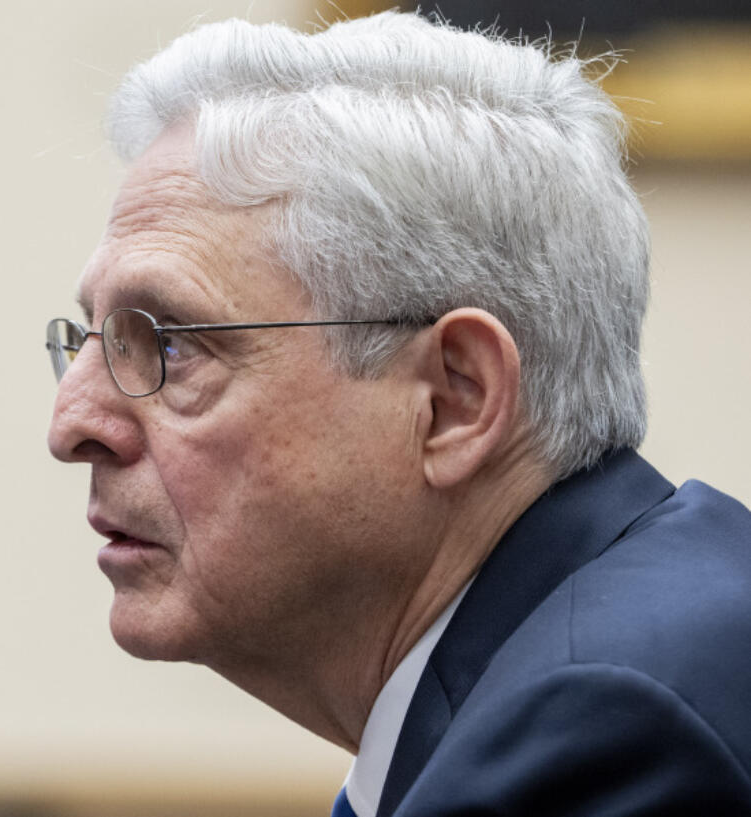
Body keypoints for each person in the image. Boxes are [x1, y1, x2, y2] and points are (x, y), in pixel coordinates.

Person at [45, 12, 751, 816]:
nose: (73, 422)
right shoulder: (574, 658)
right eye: (88, 340)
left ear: (455, 400)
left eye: (167, 343)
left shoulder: (607, 728)